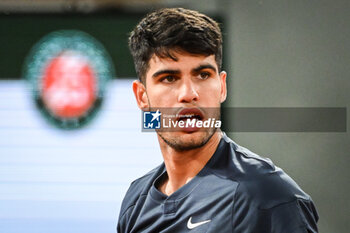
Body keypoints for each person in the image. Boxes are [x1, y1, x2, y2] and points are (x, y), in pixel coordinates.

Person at [117, 8, 319, 233]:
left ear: (222, 87)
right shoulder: (135, 202)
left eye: (203, 75)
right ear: (142, 97)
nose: (189, 93)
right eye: (169, 78)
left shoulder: (269, 197)